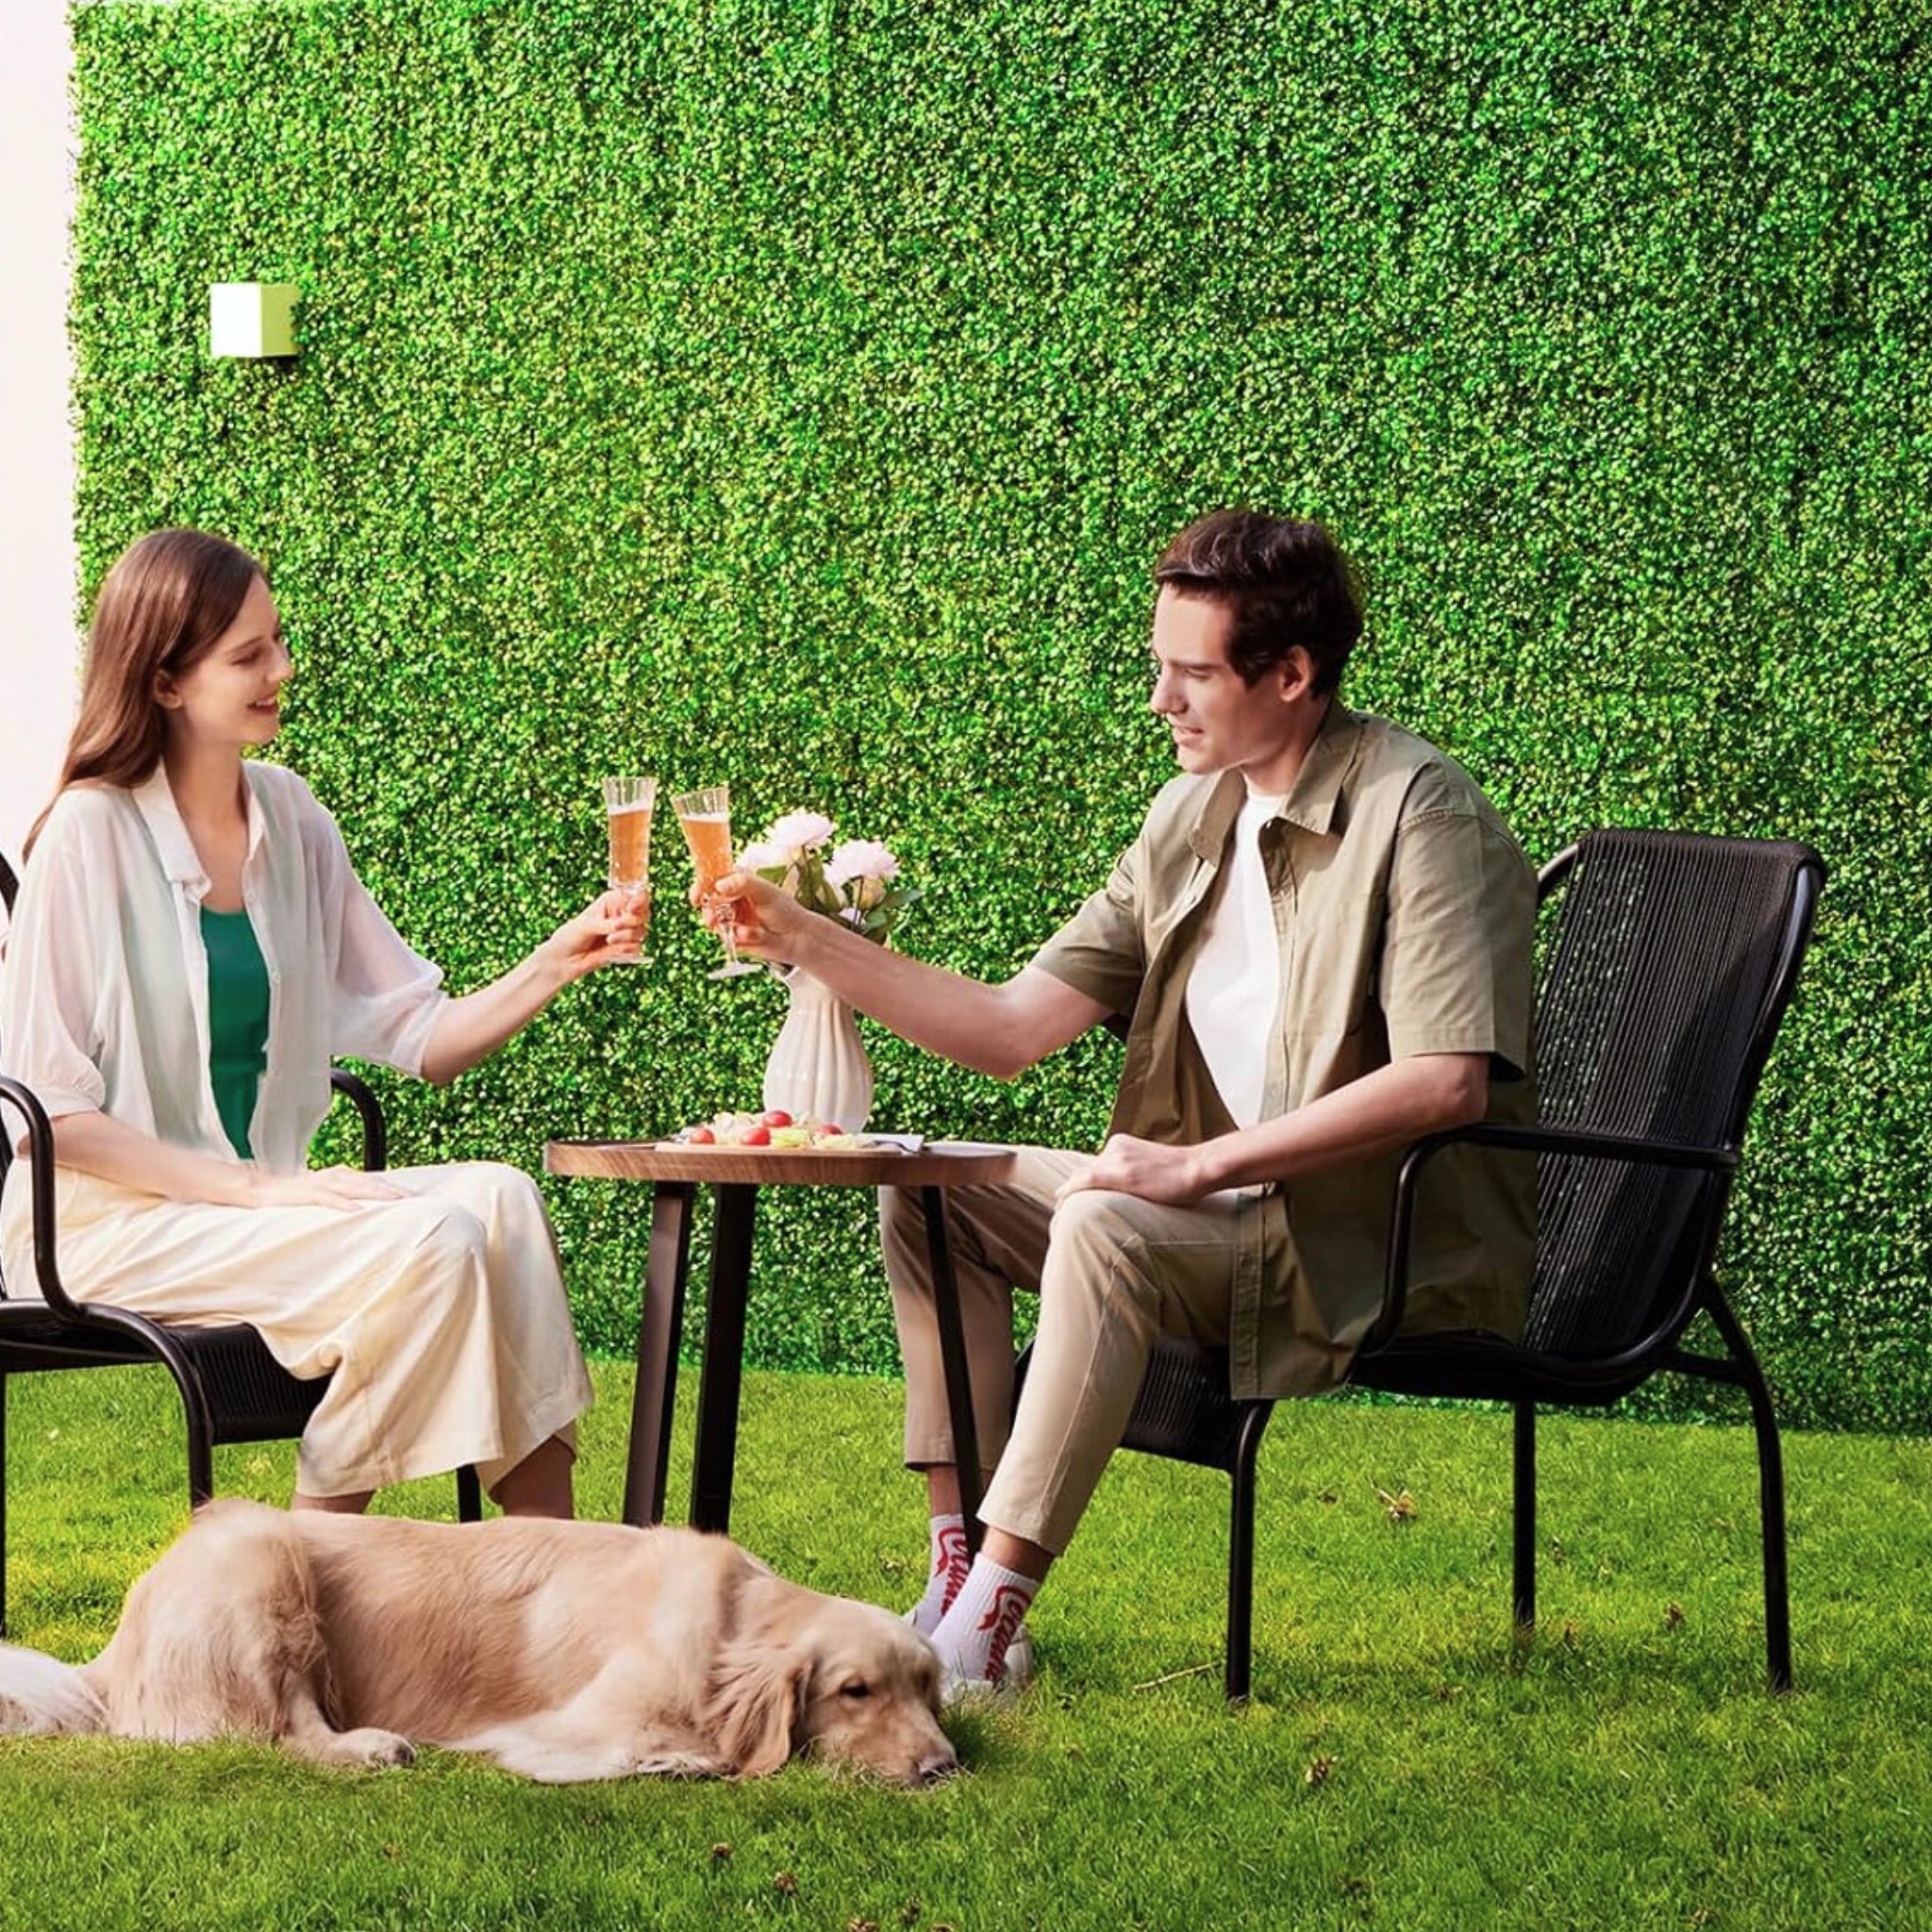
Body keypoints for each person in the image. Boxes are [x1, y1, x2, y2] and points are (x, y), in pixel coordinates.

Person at [709, 510, 1538, 1697]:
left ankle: (987, 1625)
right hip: (1216, 1214)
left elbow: (1443, 1075)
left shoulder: (1419, 810)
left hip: (1359, 1234)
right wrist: (803, 937)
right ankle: (951, 1574)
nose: (1162, 699)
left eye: (1192, 672)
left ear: (1292, 675)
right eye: (1160, 666)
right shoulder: (1187, 819)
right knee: (937, 1191)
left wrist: (1195, 1167)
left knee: (1102, 1218)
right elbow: (1009, 1031)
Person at [0, 527, 645, 1518]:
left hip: (251, 1208)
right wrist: (257, 1193)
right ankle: (305, 1566)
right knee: (430, 1239)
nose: (282, 669)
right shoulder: (88, 832)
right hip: (100, 1227)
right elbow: (45, 1110)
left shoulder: (292, 816)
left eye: (278, 641)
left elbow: (422, 1037)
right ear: (167, 680)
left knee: (501, 1200)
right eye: (249, 653)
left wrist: (561, 955)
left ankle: (564, 1579)